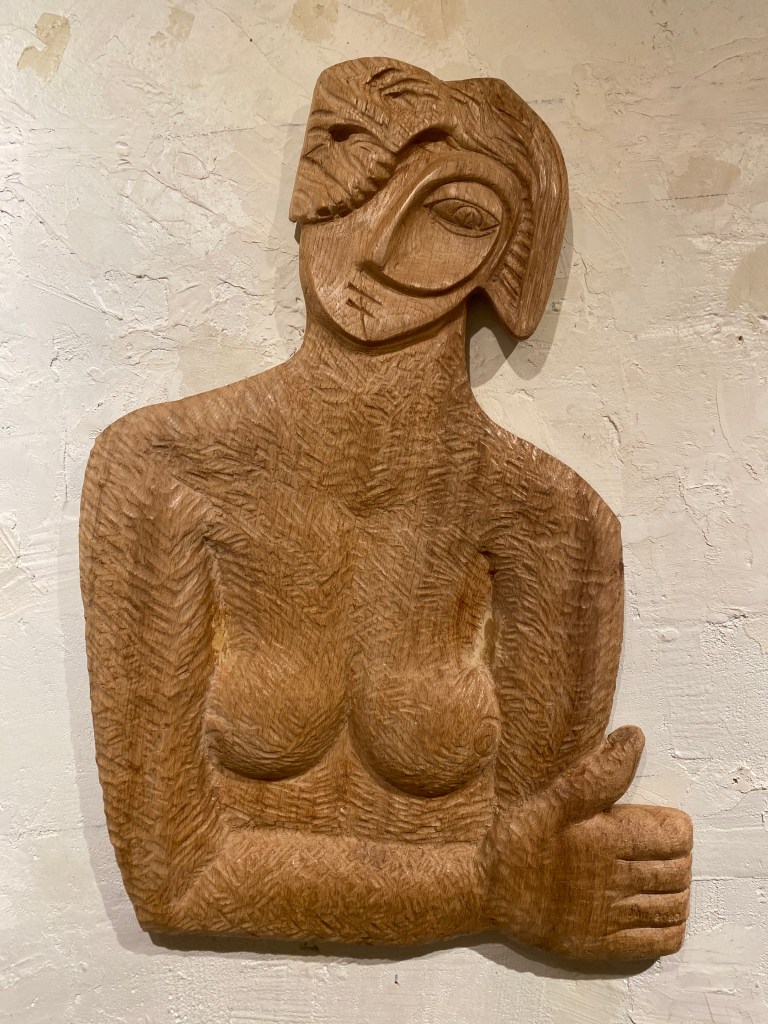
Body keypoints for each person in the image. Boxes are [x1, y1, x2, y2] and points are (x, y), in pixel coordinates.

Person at [81, 57, 691, 959]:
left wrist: (517, 882)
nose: (374, 246)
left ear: (509, 257)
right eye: (354, 183)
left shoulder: (551, 522)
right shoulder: (164, 471)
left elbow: (532, 840)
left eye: (455, 216)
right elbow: (173, 878)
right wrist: (490, 893)